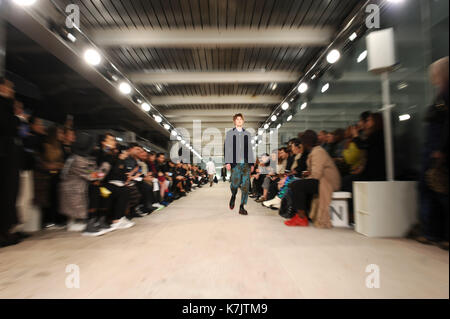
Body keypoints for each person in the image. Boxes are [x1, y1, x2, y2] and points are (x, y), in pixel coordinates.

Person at [416, 57, 449, 250]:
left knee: (440, 193)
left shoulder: (445, 95)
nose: (432, 77)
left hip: (437, 150)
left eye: (435, 73)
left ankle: (435, 232)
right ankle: (432, 232)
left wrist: (442, 150)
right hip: (433, 149)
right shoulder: (440, 95)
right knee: (431, 191)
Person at [285, 130, 341, 228]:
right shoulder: (315, 151)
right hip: (323, 180)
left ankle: (301, 217)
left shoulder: (318, 152)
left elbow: (316, 174)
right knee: (296, 184)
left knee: (297, 185)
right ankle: (299, 215)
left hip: (328, 182)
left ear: (306, 142)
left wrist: (306, 175)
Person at [59, 132, 103, 233]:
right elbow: (92, 175)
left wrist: (96, 172)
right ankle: (77, 223)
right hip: (73, 190)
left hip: (76, 188)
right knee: (95, 190)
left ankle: (86, 221)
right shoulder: (78, 160)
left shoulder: (77, 157)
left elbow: (91, 172)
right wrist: (105, 166)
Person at [0, 78, 22, 247]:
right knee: (7, 194)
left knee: (10, 194)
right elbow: (8, 126)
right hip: (5, 156)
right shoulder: (4, 106)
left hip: (8, 155)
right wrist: (17, 117)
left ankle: (6, 231)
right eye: (10, 86)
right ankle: (4, 233)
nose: (12, 90)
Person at [224, 113, 255, 216]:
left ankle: (242, 206)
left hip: (246, 163)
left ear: (243, 121)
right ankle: (233, 195)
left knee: (246, 185)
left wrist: (251, 163)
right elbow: (227, 148)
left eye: (241, 119)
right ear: (234, 121)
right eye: (237, 119)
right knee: (235, 183)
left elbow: (250, 149)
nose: (239, 121)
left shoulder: (247, 134)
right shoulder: (229, 133)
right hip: (235, 163)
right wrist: (227, 162)